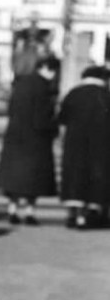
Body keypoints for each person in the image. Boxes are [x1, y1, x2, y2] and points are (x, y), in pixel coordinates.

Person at [0, 54, 60, 225]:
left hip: (15, 136)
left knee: (14, 178)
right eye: (53, 71)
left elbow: (10, 109)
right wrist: (54, 129)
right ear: (46, 68)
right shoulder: (45, 88)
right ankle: (29, 212)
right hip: (37, 140)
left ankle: (12, 210)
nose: (54, 75)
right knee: (34, 180)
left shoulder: (21, 84)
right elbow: (44, 117)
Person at [57, 65, 110, 229]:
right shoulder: (106, 96)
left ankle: (74, 213)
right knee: (97, 177)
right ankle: (92, 212)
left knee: (75, 176)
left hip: (74, 144)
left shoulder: (74, 94)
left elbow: (62, 118)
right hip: (101, 145)